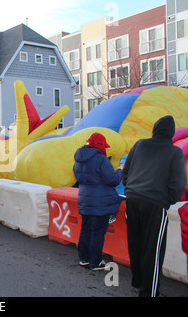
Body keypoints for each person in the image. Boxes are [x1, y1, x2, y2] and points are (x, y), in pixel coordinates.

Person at [122, 115, 187, 297]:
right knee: (153, 249)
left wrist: (130, 189)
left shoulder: (140, 145)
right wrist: (168, 200)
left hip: (132, 200)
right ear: (171, 133)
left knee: (135, 243)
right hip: (155, 203)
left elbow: (125, 172)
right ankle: (149, 291)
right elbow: (179, 182)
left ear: (155, 129)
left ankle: (137, 282)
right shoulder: (174, 152)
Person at [73, 132, 122, 271]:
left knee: (85, 229)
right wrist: (120, 171)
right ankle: (95, 262)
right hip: (100, 202)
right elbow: (113, 180)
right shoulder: (101, 159)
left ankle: (84, 259)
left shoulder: (79, 158)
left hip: (84, 199)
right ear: (100, 145)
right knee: (98, 232)